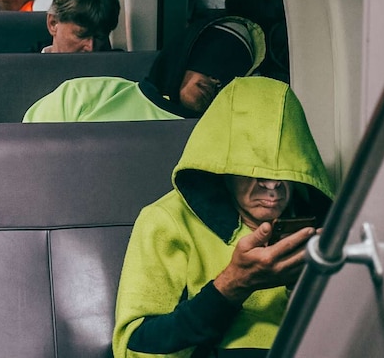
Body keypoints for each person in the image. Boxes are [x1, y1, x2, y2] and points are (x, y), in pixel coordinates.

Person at [113, 77, 335, 357]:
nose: (272, 186)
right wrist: (232, 286)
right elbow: (135, 349)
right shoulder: (167, 221)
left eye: (285, 173)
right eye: (253, 171)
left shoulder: (320, 225)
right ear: (223, 168)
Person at [23, 15, 264, 121]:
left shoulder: (220, 138)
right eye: (210, 62)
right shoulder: (86, 95)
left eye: (230, 74)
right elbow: (28, 158)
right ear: (184, 56)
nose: (215, 80)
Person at [42, 0, 121, 53]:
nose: (91, 47)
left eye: (99, 37)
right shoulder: (30, 64)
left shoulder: (123, 63)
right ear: (53, 23)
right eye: (81, 35)